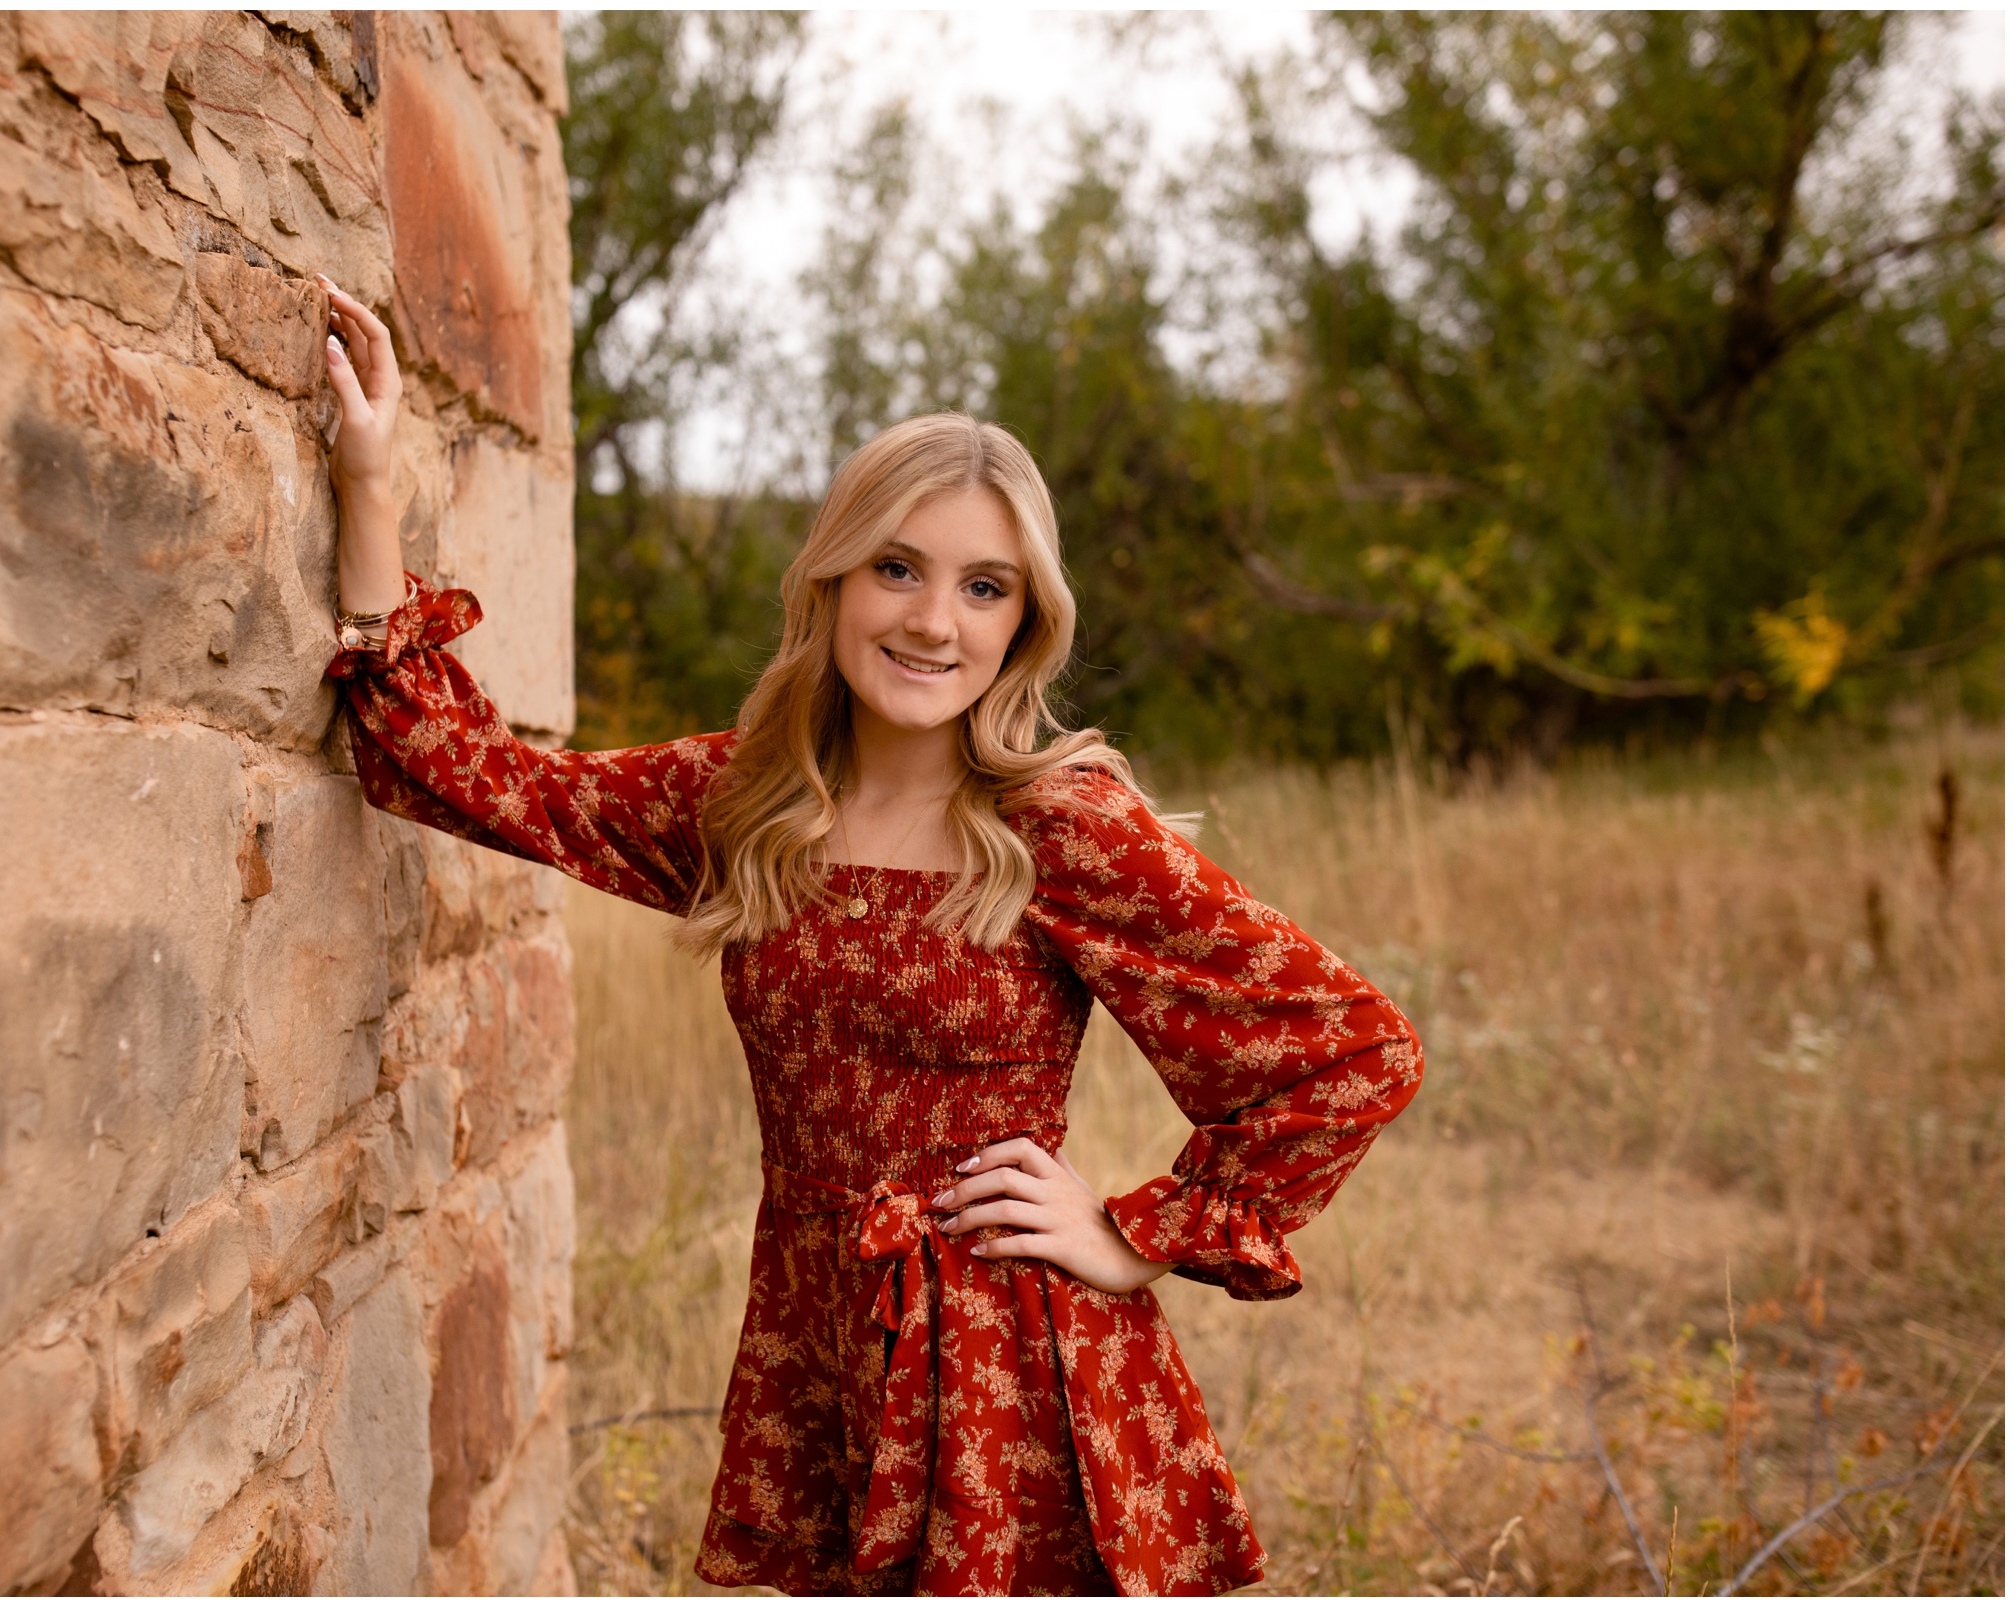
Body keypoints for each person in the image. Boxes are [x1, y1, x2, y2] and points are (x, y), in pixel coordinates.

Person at [316, 280, 1422, 1595]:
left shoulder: (1059, 825)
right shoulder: (748, 804)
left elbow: (1352, 1051)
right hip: (816, 1343)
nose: (932, 619)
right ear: (835, 576)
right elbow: (469, 775)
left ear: (1024, 620)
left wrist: (1132, 1234)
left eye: (984, 586)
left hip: (1004, 1360)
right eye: (898, 566)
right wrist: (369, 486)